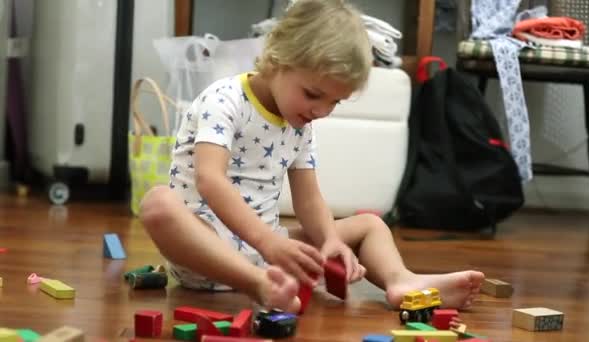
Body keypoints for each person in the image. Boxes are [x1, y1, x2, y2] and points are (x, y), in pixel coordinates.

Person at [140, 0, 484, 313]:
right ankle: (256, 284)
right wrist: (268, 241)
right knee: (158, 204)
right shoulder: (223, 100)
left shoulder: (300, 125)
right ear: (276, 59)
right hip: (205, 253)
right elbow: (209, 180)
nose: (322, 110)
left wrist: (330, 241)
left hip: (267, 254)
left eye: (334, 102)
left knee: (370, 225)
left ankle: (400, 280)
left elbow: (309, 200)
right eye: (313, 94)